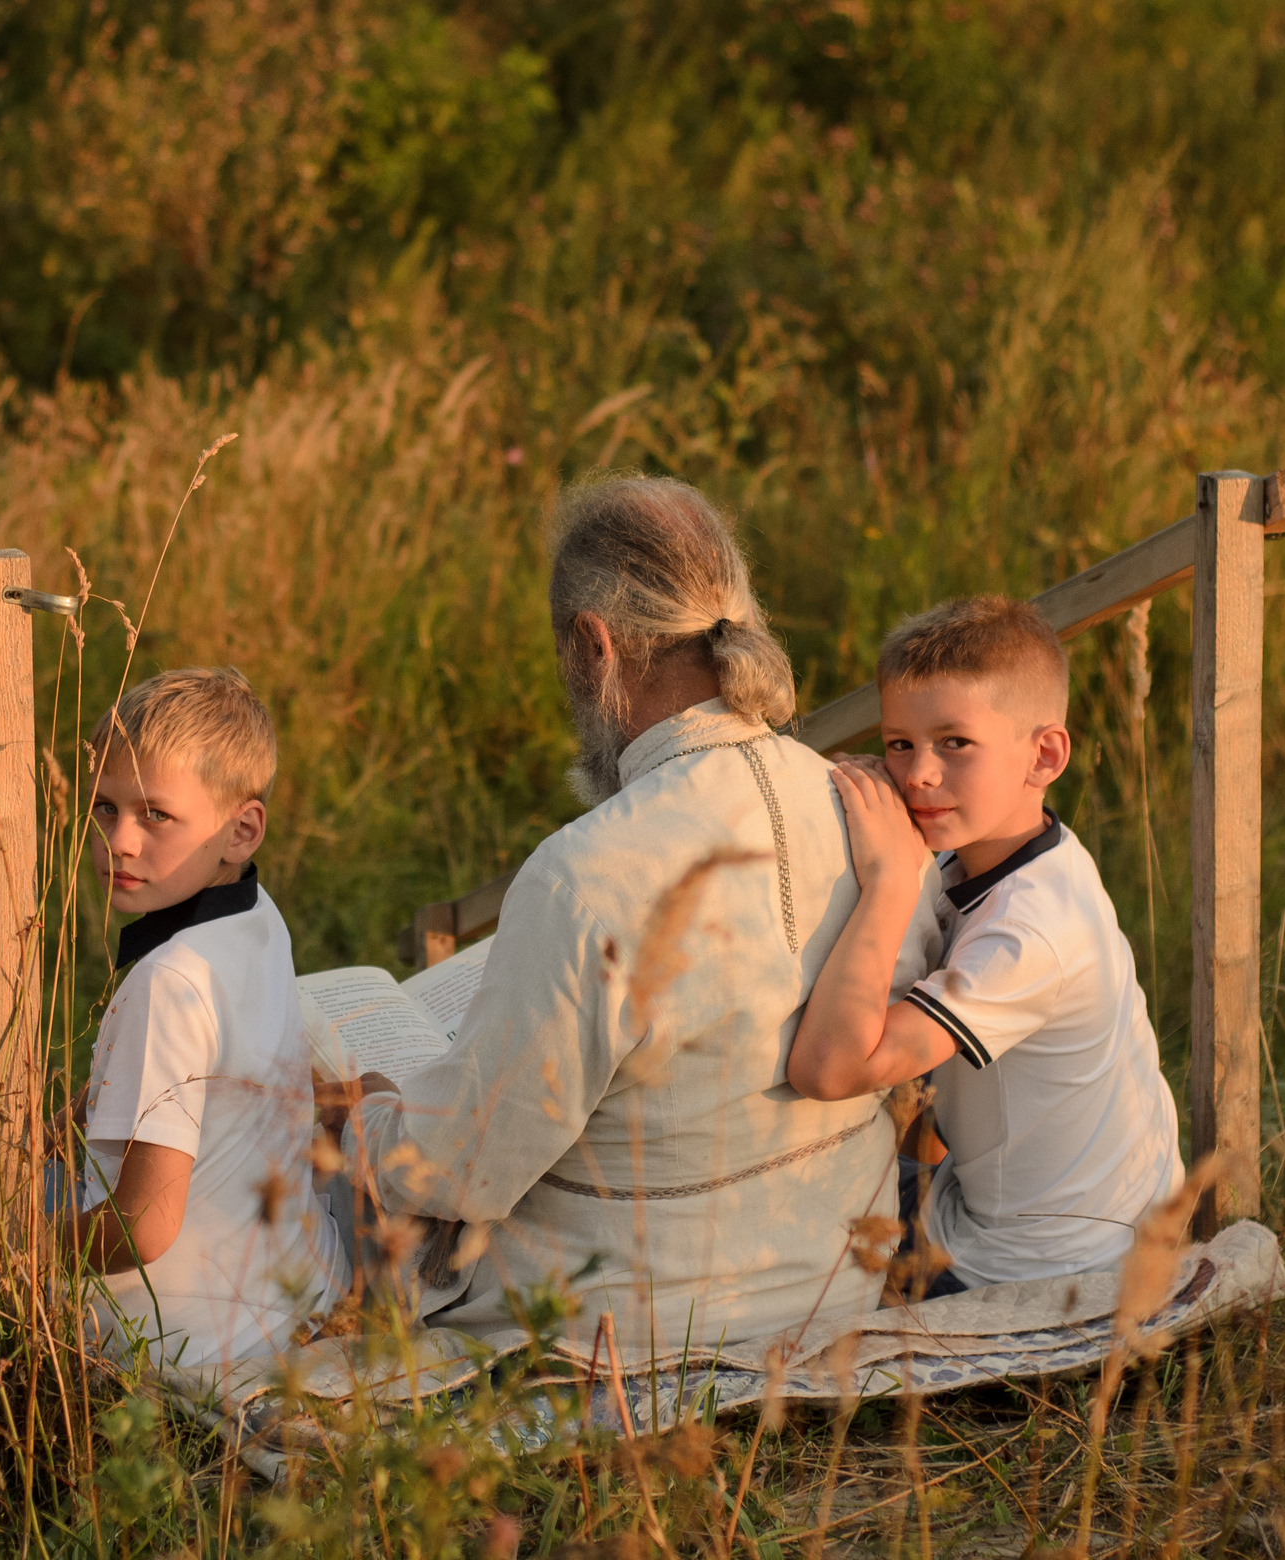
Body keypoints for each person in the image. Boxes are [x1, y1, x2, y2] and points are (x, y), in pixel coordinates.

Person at [344, 475, 945, 1360]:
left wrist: (366, 1116)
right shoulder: (873, 810)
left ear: (596, 648)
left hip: (632, 1326)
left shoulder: (583, 874)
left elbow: (456, 1170)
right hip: (835, 1283)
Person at [785, 595, 1185, 1291]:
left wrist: (886, 882)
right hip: (1089, 1220)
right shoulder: (1019, 851)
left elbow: (826, 1072)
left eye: (955, 744)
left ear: (1044, 754)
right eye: (899, 743)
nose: (918, 776)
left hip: (1035, 1268)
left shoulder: (1029, 934)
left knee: (771, 1193)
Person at [59, 668, 345, 1368]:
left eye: (155, 815)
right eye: (104, 808)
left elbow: (145, 1227)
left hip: (189, 1349)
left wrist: (23, 1248)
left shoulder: (166, 982)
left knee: (3, 1195)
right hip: (301, 1295)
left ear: (241, 830)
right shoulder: (257, 912)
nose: (120, 841)